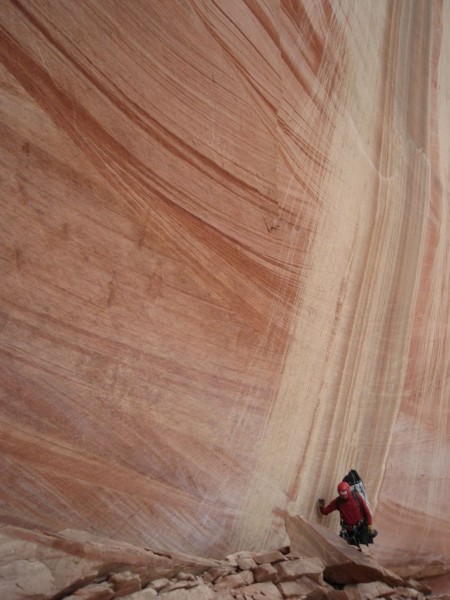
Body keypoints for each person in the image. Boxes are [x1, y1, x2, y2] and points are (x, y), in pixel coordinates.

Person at [318, 481, 376, 549]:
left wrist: (370, 527)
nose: (344, 496)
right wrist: (321, 504)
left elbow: (367, 512)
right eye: (342, 494)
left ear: (348, 490)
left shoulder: (356, 496)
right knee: (342, 548)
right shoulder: (338, 502)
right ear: (339, 493)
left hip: (362, 527)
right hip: (349, 530)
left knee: (364, 548)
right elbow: (324, 512)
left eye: (345, 493)